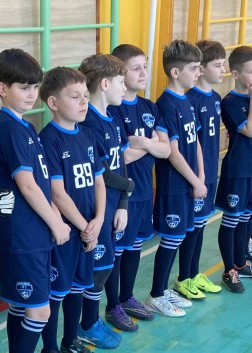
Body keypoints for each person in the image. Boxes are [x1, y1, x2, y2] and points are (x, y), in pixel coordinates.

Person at [0, 48, 71, 353]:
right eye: (24, 87)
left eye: (35, 87)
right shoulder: (8, 130)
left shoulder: (25, 127)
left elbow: (40, 182)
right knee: (39, 310)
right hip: (23, 236)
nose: (31, 94)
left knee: (22, 308)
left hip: (34, 234)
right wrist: (57, 222)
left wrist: (52, 220)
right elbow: (27, 185)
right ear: (2, 88)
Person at [37, 67, 104, 353]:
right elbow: (57, 192)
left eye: (85, 96)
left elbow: (99, 180)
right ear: (53, 102)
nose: (83, 102)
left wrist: (98, 220)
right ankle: (49, 351)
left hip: (88, 228)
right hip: (65, 232)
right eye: (75, 96)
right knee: (58, 290)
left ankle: (71, 340)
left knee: (79, 285)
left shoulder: (87, 134)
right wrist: (83, 226)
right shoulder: (48, 139)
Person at [108, 44, 171, 319]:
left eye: (145, 66)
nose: (144, 73)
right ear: (120, 73)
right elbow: (121, 156)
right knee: (116, 252)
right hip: (121, 195)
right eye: (136, 68)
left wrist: (143, 143)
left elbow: (166, 150)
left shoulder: (149, 107)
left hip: (145, 191)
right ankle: (113, 305)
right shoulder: (113, 109)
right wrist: (152, 144)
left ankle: (127, 297)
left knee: (135, 247)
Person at [143, 40, 204, 315]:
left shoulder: (187, 100)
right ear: (176, 72)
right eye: (194, 68)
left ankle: (164, 288)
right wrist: (195, 181)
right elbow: (173, 153)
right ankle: (155, 294)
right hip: (174, 186)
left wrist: (201, 175)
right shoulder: (166, 104)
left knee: (179, 238)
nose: (198, 72)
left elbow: (196, 142)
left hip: (190, 183)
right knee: (170, 239)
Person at [78, 53, 132, 342]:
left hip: (113, 207)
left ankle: (91, 321)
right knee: (97, 268)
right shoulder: (88, 122)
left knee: (106, 265)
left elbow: (120, 163)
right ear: (105, 84)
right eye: (121, 82)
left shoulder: (112, 118)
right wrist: (129, 186)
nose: (125, 88)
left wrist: (123, 202)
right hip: (95, 208)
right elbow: (101, 173)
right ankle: (87, 323)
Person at [214, 45, 252, 293]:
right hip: (238, 170)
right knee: (232, 220)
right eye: (251, 72)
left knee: (247, 219)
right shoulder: (230, 101)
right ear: (236, 74)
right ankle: (229, 270)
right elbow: (250, 130)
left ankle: (241, 262)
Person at [180, 39, 226, 296]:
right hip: (196, 175)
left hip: (210, 172)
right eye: (217, 65)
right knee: (191, 229)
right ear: (201, 68)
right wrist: (197, 176)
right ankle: (184, 277)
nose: (223, 70)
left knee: (201, 226)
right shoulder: (191, 99)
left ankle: (194, 273)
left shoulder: (216, 98)